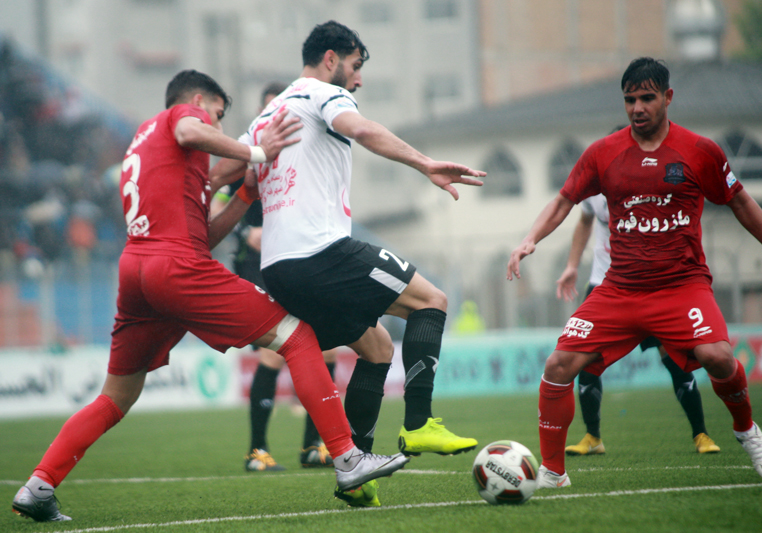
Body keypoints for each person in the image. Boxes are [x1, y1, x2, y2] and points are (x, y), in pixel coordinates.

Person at [11, 70, 409, 523]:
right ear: (199, 100)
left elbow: (203, 235)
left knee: (114, 398)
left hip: (138, 269)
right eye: (217, 115)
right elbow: (189, 130)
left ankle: (38, 485)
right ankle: (348, 459)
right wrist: (258, 151)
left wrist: (245, 193)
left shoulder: (147, 145)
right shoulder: (182, 118)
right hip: (174, 266)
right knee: (298, 336)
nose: (216, 127)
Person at [210, 21, 485, 507]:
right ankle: (419, 423)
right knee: (432, 300)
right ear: (331, 59)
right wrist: (425, 164)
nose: (358, 79)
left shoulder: (266, 116)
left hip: (278, 269)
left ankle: (356, 473)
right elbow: (361, 129)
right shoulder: (322, 93)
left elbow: (217, 175)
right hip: (320, 252)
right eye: (356, 67)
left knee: (377, 347)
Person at [507, 57, 762, 489]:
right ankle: (553, 471)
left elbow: (739, 200)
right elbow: (565, 200)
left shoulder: (699, 151)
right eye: (630, 100)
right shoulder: (603, 153)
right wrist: (530, 239)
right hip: (619, 290)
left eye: (647, 98)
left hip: (682, 287)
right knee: (558, 364)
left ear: (668, 97)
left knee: (719, 357)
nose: (637, 108)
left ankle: (746, 430)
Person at [212, 81, 337, 472]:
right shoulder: (246, 153)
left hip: (300, 258)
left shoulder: (307, 152)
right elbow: (213, 203)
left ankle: (313, 446)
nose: (276, 116)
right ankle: (257, 451)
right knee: (275, 348)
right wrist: (242, 232)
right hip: (258, 265)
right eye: (269, 110)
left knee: (329, 347)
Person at [556, 192, 720, 455]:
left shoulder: (642, 183)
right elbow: (585, 220)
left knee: (674, 357)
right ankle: (592, 437)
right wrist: (572, 265)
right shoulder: (592, 187)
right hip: (603, 286)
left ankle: (701, 434)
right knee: (582, 359)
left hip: (648, 284)